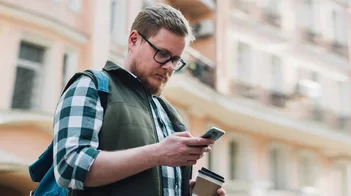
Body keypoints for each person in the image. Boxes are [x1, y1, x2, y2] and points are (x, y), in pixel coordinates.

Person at [52, 4, 225, 196]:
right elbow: (69, 167)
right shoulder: (92, 86)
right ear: (134, 40)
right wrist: (158, 154)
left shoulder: (170, 114)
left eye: (175, 60)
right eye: (163, 54)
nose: (168, 66)